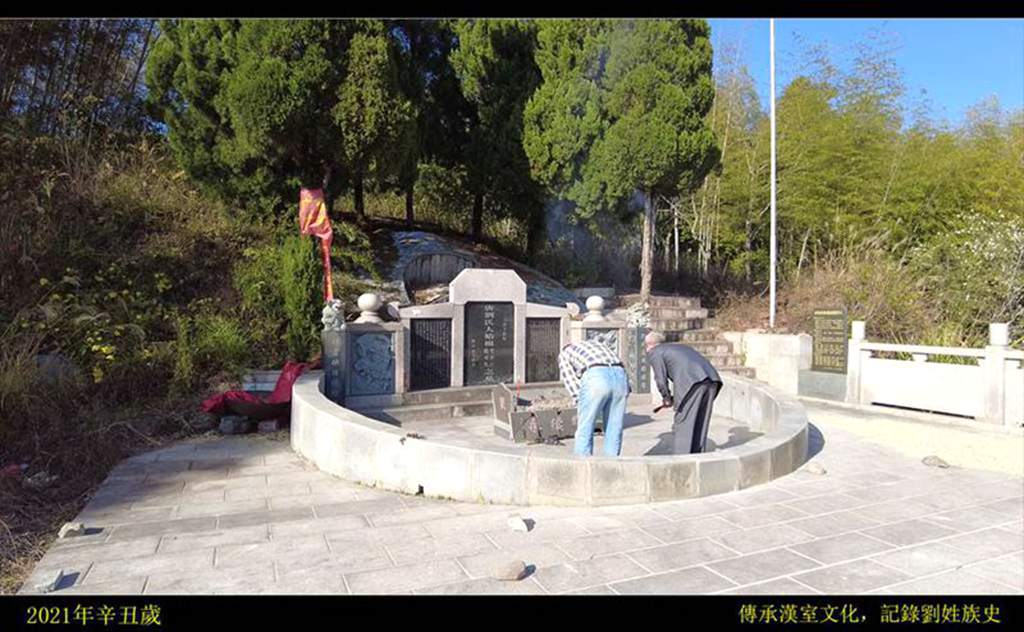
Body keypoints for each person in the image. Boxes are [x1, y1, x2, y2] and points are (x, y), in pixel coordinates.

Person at [645, 331, 722, 454]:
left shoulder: (655, 352)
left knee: (683, 422)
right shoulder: (678, 347)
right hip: (712, 380)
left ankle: (682, 460)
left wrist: (666, 398)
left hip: (691, 382)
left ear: (649, 345)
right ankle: (697, 457)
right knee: (700, 421)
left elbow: (660, 379)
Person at [557, 336, 630, 456]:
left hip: (596, 376)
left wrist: (579, 399)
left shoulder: (565, 353)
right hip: (620, 375)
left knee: (585, 426)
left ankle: (583, 463)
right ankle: (612, 463)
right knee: (614, 427)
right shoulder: (596, 345)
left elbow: (570, 378)